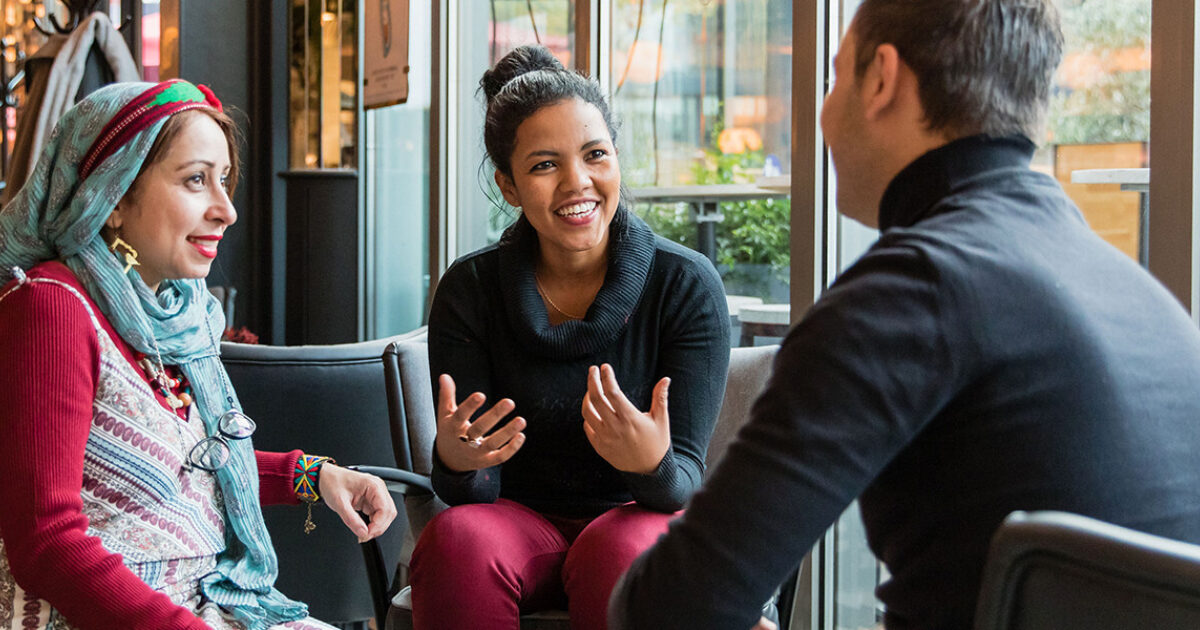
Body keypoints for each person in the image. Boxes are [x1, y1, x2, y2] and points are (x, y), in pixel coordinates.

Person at [610, 1, 1200, 628]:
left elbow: (665, 606)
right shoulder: (1142, 297)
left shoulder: (906, 293)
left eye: (835, 75)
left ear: (883, 79)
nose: (823, 112)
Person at [0, 79, 397, 630]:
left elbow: (194, 470)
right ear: (112, 199)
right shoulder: (52, 306)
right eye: (195, 181)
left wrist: (313, 477)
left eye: (225, 181)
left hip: (210, 602)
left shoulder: (174, 316)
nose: (226, 210)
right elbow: (46, 540)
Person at [410, 45, 730, 630]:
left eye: (594, 155)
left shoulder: (683, 284)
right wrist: (456, 464)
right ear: (508, 186)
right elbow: (472, 493)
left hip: (637, 517)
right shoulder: (470, 290)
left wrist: (650, 462)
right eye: (543, 165)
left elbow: (682, 484)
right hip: (514, 520)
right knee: (457, 540)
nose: (577, 183)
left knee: (623, 556)